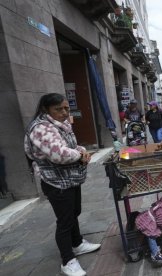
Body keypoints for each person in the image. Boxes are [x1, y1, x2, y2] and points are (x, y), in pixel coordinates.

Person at [24, 93, 101, 276]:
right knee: (65, 221)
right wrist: (80, 155)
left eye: (66, 108)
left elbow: (72, 145)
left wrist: (82, 150)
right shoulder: (41, 128)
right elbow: (60, 154)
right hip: (55, 182)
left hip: (70, 178)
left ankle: (77, 243)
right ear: (46, 109)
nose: (64, 112)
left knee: (75, 212)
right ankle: (67, 260)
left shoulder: (61, 124)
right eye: (59, 109)